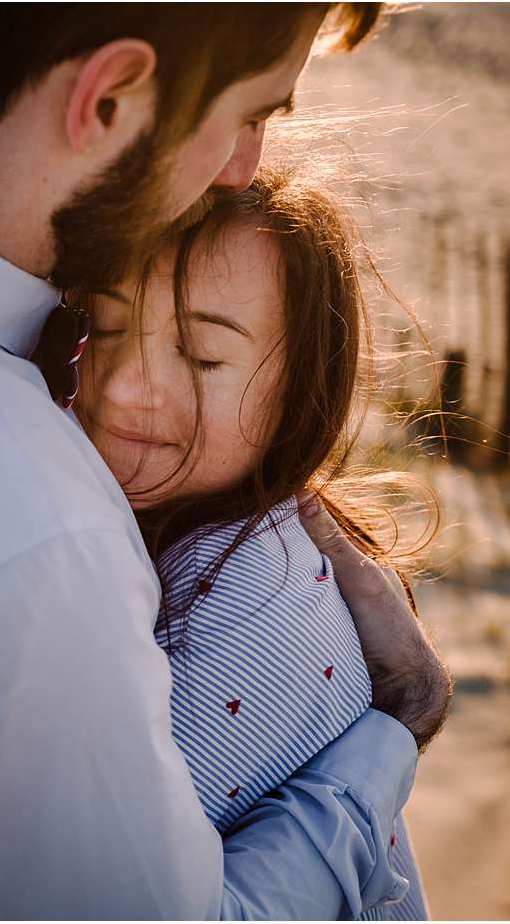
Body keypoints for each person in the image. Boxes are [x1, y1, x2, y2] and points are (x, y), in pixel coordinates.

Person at [0, 3, 451, 919]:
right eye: (250, 114)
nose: (244, 164)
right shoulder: (44, 537)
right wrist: (392, 734)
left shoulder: (247, 592)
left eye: (202, 357)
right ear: (110, 96)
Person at [70, 166, 431, 920]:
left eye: (202, 356)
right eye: (104, 326)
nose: (125, 385)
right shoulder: (146, 526)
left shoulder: (251, 593)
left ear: (299, 391)